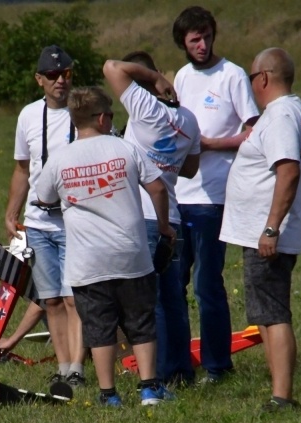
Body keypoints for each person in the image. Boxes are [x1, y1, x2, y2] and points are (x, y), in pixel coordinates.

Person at [34, 86, 176, 407]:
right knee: (140, 322)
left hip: (87, 261)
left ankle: (108, 394)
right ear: (101, 118)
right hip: (131, 255)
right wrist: (164, 226)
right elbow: (157, 188)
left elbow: (44, 197)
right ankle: (149, 388)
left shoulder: (60, 158)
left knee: (99, 326)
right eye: (111, 115)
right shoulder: (124, 148)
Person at [219, 47, 301, 412]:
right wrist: (299, 218)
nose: (251, 85)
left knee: (273, 311)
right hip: (276, 228)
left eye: (251, 78)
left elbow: (290, 170)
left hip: (267, 232)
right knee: (264, 311)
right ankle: (279, 389)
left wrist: (272, 228)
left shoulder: (280, 116)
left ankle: (282, 396)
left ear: (263, 78)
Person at [171, 6, 260, 384]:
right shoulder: (181, 77)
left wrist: (210, 145)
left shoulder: (233, 75)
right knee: (173, 283)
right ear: (184, 43)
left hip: (214, 198)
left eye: (207, 36)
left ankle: (217, 365)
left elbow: (254, 130)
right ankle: (175, 366)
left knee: (209, 283)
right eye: (195, 39)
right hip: (178, 196)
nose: (202, 44)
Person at [102, 52, 201, 387]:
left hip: (143, 218)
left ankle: (155, 374)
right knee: (174, 299)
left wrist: (154, 80)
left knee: (151, 300)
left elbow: (111, 66)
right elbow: (190, 169)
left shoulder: (145, 108)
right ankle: (181, 370)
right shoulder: (189, 119)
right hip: (172, 216)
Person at [4, 45, 86, 386]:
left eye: (65, 74)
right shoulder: (27, 116)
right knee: (51, 298)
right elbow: (23, 169)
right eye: (52, 76)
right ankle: (63, 369)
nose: (60, 81)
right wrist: (11, 212)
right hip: (38, 221)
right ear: (40, 80)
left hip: (75, 219)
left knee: (73, 298)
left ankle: (78, 370)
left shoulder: (83, 113)